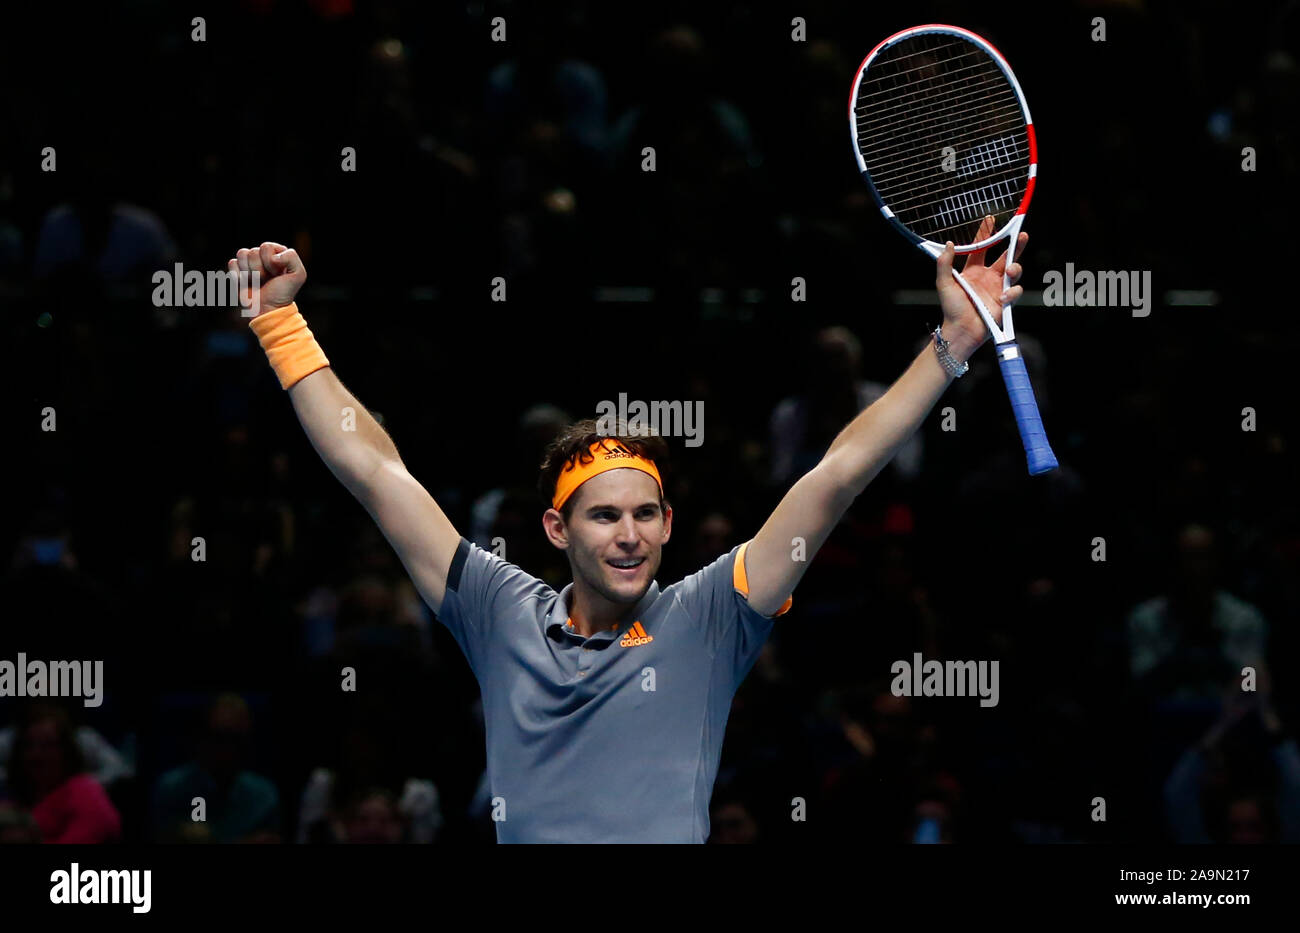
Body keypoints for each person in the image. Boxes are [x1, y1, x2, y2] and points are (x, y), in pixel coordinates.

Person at [226, 215, 1026, 842]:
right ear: (554, 527)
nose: (629, 533)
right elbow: (376, 472)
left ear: (669, 522)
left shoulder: (713, 615)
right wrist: (283, 327)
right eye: (604, 515)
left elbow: (837, 474)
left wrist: (953, 342)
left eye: (645, 513)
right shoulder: (498, 608)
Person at [1, 703, 121, 844]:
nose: (36, 755)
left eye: (48, 746)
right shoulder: (11, 796)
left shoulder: (85, 793)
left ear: (66, 752)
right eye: (28, 745)